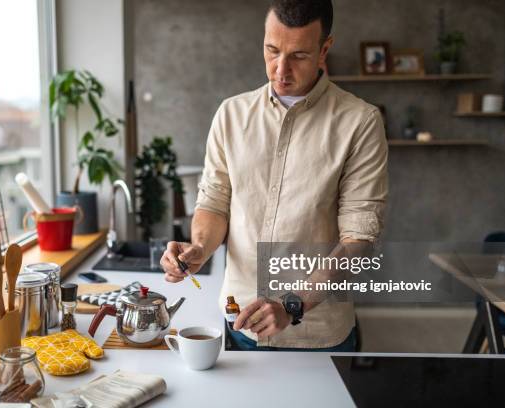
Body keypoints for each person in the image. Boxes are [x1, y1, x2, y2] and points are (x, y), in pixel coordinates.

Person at [161, 0, 387, 352]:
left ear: (324, 49)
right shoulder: (231, 115)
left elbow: (360, 238)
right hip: (238, 326)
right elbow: (215, 203)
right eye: (271, 50)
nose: (281, 69)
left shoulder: (360, 122)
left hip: (317, 334)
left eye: (298, 55)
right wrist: (198, 249)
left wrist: (293, 304)